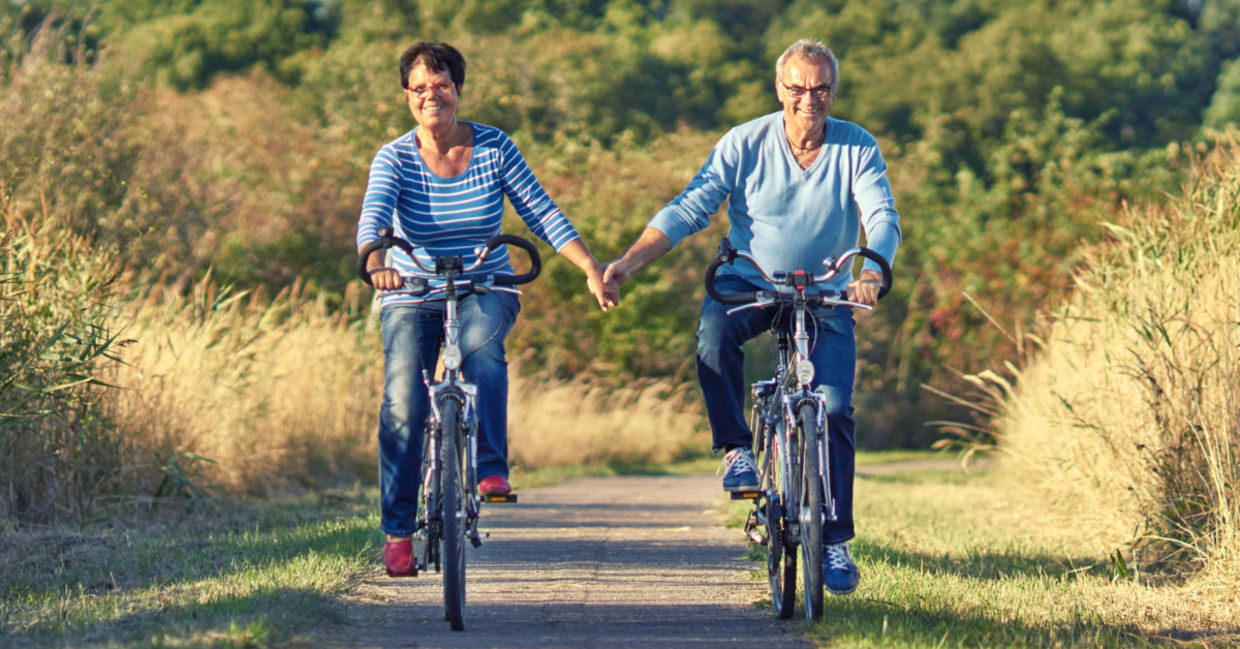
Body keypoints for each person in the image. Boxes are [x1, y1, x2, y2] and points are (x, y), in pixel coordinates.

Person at [601, 39, 900, 595]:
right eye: (797, 88)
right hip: (749, 279)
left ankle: (834, 542)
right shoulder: (744, 143)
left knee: (834, 408)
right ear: (779, 89)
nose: (809, 99)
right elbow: (691, 206)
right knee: (712, 336)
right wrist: (629, 262)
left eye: (821, 88)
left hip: (827, 291)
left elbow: (881, 214)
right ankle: (738, 449)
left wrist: (873, 273)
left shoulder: (856, 146)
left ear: (834, 91)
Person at [357, 41, 616, 577]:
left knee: (482, 352)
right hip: (411, 288)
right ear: (406, 95)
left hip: (485, 283)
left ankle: (490, 469)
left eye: (442, 85)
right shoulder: (394, 157)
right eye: (420, 87)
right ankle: (399, 531)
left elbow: (540, 211)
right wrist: (377, 263)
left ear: (458, 90)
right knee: (403, 400)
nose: (431, 96)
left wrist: (590, 267)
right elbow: (374, 218)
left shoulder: (495, 146)